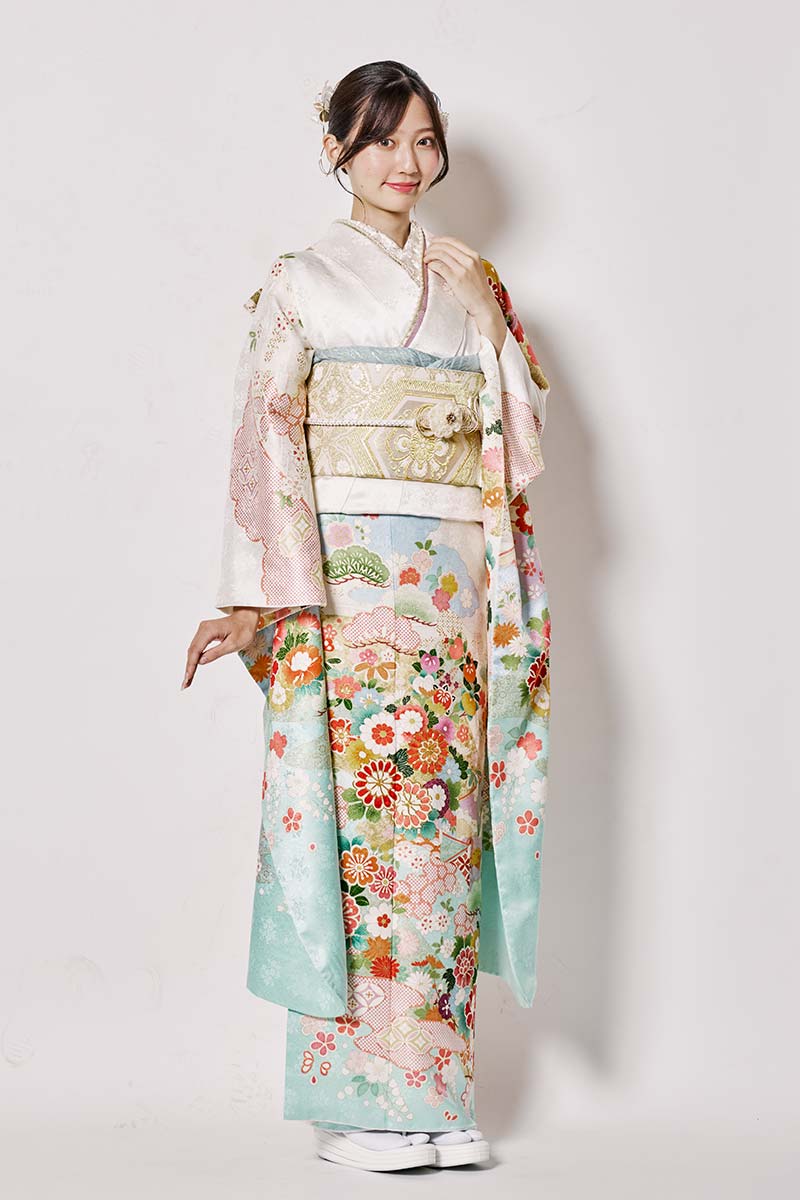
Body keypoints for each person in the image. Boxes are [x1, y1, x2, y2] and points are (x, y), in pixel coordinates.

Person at [183, 60, 553, 1173]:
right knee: (357, 835)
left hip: (449, 590)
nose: (407, 161)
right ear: (336, 148)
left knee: (440, 821)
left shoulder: (468, 278)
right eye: (384, 138)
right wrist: (254, 599)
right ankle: (357, 1105)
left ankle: (434, 1099)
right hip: (343, 592)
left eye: (424, 140)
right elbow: (265, 434)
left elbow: (517, 439)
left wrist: (488, 321)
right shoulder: (300, 280)